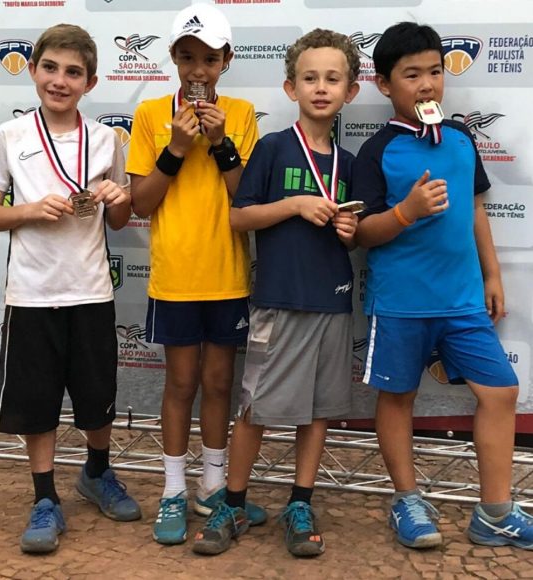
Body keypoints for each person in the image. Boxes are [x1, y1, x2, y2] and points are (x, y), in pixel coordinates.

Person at [354, 21, 533, 550]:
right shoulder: (377, 151)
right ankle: (407, 499)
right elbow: (362, 233)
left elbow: (477, 209)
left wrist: (492, 274)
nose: (428, 84)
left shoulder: (460, 137)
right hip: (400, 302)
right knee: (397, 397)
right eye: (412, 75)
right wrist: (405, 212)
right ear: (385, 84)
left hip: (463, 301)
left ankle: (494, 512)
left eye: (435, 71)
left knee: (501, 391)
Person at [192, 28, 361, 558]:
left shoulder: (350, 163)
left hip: (332, 300)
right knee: (256, 408)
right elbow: (239, 217)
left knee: (318, 411)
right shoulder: (272, 147)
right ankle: (233, 503)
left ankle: (300, 503)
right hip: (279, 299)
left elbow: (355, 232)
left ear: (351, 91)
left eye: (332, 79)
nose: (321, 87)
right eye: (310, 78)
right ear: (291, 88)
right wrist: (294, 205)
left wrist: (349, 230)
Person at [0, 23, 141, 554]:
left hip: (90, 290)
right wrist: (28, 210)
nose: (60, 80)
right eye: (50, 68)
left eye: (73, 72)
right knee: (38, 401)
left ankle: (97, 472)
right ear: (33, 70)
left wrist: (120, 198)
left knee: (97, 396)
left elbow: (119, 219)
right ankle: (45, 497)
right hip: (31, 293)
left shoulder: (106, 139)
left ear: (89, 83)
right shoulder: (11, 136)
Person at [126, 3, 266, 545]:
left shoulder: (242, 114)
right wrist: (177, 149)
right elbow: (141, 203)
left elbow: (245, 198)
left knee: (219, 383)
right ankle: (172, 491)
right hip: (176, 276)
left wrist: (221, 143)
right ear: (172, 58)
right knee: (181, 383)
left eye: (209, 58)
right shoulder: (150, 114)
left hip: (227, 275)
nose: (198, 70)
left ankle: (212, 485)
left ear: (226, 60)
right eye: (187, 57)